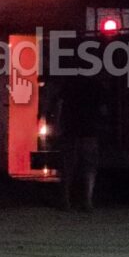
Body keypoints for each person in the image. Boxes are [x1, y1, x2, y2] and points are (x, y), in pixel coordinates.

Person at [56, 76, 102, 212]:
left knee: (68, 167)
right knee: (89, 168)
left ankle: (65, 201)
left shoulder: (69, 83)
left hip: (70, 130)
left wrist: (58, 125)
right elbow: (103, 108)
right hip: (89, 131)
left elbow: (59, 105)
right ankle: (87, 201)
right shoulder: (95, 85)